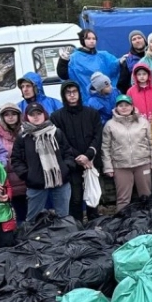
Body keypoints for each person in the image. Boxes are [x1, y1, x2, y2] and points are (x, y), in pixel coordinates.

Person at [52, 81, 103, 221]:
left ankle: (94, 224)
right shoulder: (57, 117)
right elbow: (60, 141)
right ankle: (77, 226)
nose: (72, 95)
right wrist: (78, 157)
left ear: (79, 93)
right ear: (64, 95)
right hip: (72, 163)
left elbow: (97, 135)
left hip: (91, 161)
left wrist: (88, 155)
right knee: (75, 198)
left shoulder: (91, 113)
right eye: (68, 92)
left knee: (93, 195)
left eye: (74, 91)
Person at [11, 103, 72, 222]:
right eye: (32, 114)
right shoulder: (22, 137)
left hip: (60, 181)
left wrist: (66, 169)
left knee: (63, 218)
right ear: (26, 117)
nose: (36, 117)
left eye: (38, 113)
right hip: (36, 184)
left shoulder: (56, 132)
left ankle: (62, 239)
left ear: (44, 114)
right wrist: (28, 176)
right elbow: (16, 159)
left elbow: (68, 153)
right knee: (33, 220)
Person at [102, 95, 152, 211]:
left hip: (143, 163)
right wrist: (108, 167)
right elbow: (105, 148)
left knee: (146, 196)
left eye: (127, 105)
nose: (124, 108)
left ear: (132, 106)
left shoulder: (143, 122)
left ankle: (149, 222)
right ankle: (123, 224)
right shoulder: (109, 125)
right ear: (116, 108)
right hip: (121, 166)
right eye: (120, 105)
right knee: (123, 199)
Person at [58, 29, 119, 102]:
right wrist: (63, 61)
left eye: (94, 38)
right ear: (82, 40)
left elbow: (115, 66)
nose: (92, 41)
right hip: (84, 99)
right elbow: (64, 75)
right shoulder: (74, 58)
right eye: (88, 38)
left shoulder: (103, 55)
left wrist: (122, 61)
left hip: (106, 98)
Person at [0, 104, 28, 222]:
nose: (11, 117)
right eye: (7, 115)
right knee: (17, 213)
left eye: (13, 114)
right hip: (9, 181)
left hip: (27, 179)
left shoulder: (27, 131)